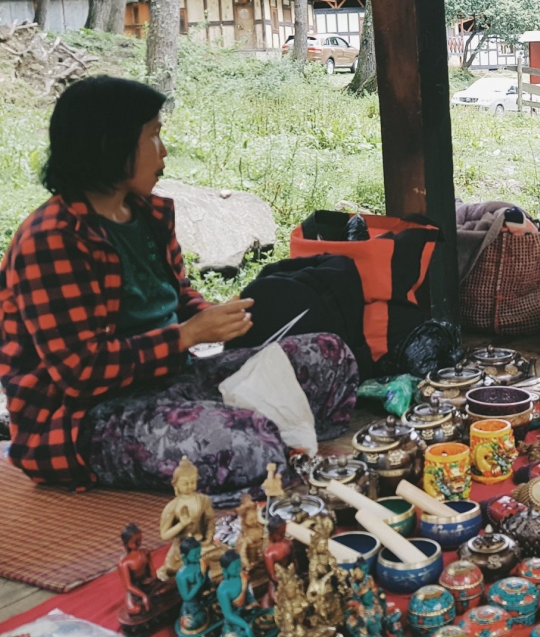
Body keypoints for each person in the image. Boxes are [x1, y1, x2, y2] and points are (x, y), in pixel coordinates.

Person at [0, 77, 359, 494]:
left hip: (175, 380)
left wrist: (212, 315)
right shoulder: (53, 239)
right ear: (109, 145)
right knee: (242, 439)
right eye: (153, 136)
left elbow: (177, 296)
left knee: (329, 356)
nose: (164, 151)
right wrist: (188, 335)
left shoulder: (147, 215)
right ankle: (263, 446)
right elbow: (81, 371)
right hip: (86, 420)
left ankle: (266, 443)